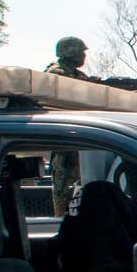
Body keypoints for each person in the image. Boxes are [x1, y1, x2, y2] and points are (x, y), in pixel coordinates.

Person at [46, 37, 89, 215]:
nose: (84, 56)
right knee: (62, 190)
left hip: (78, 138)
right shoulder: (57, 74)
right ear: (70, 52)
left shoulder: (79, 76)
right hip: (62, 138)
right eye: (81, 52)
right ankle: (58, 222)